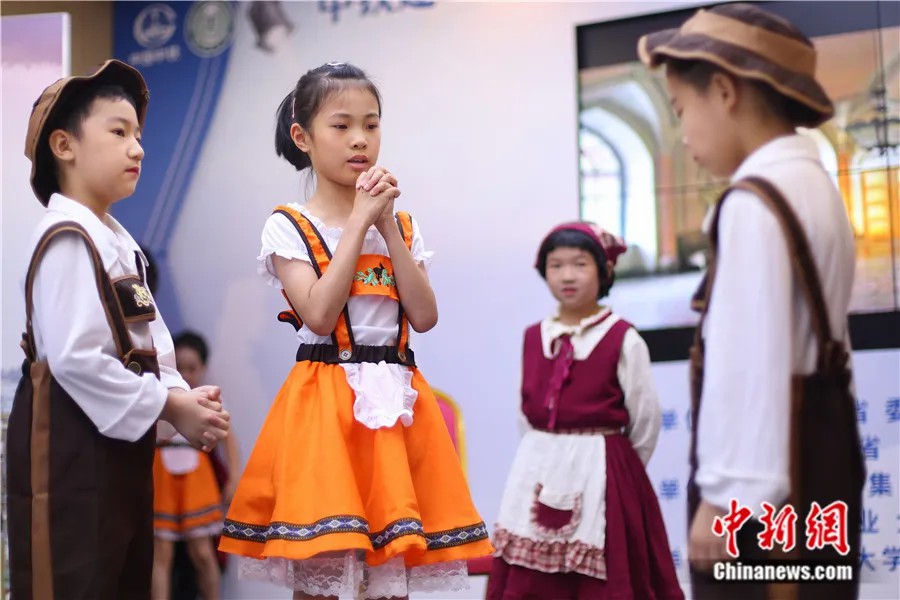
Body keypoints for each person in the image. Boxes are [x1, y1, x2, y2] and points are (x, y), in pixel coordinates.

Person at [218, 62, 492, 599]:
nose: (360, 139)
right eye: (341, 125)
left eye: (371, 124)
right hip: (325, 403)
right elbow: (319, 315)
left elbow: (425, 316)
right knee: (322, 568)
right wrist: (360, 222)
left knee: (391, 573)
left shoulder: (402, 224)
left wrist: (385, 223)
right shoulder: (289, 225)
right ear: (303, 137)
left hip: (396, 406)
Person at [638, 4, 864, 598]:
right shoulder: (815, 185)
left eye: (681, 110)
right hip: (821, 461)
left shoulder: (752, 201)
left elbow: (749, 361)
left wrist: (725, 500)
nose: (684, 134)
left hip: (759, 503)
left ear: (723, 90)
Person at [5, 59, 229, 599]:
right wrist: (168, 405)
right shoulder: (66, 236)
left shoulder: (120, 244)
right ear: (64, 146)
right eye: (119, 132)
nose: (138, 149)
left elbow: (153, 347)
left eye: (139, 136)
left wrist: (180, 397)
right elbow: (76, 358)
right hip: (70, 460)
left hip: (118, 456)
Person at [487, 222, 683, 600]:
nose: (567, 276)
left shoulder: (622, 337)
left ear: (603, 270)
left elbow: (645, 419)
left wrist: (619, 471)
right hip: (539, 467)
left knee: (606, 577)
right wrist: (548, 454)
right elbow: (525, 414)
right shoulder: (534, 336)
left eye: (580, 264)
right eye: (556, 265)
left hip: (605, 473)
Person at [152, 330, 240, 600]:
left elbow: (228, 439)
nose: (187, 374)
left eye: (192, 368)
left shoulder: (207, 399)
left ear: (203, 368)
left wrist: (234, 478)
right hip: (161, 472)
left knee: (202, 552)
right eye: (181, 367)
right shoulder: (159, 395)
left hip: (196, 475)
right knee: (161, 553)